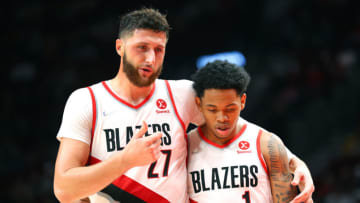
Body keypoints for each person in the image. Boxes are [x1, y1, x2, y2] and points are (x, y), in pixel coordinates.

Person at [53, 8, 314, 203]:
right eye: (141, 47)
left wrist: (295, 163)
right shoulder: (86, 100)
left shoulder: (181, 93)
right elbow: (63, 189)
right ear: (120, 47)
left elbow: (242, 130)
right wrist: (125, 160)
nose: (150, 58)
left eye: (159, 49)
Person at [188, 60, 307, 202]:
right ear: (199, 104)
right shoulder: (184, 147)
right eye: (212, 109)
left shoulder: (267, 144)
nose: (222, 118)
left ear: (242, 101)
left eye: (230, 109)